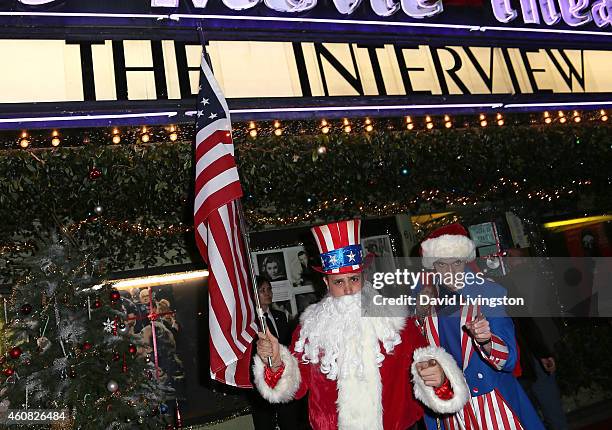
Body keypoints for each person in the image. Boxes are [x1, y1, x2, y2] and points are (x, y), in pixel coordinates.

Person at [252, 219, 469, 430]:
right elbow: (295, 388)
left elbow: (428, 361)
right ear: (326, 282)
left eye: (354, 279)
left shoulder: (396, 319)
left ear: (363, 276)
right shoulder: (309, 329)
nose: (348, 289)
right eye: (339, 282)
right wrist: (276, 361)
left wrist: (439, 378)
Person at [417, 223, 545, 430]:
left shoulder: (489, 293)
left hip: (489, 400)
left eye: (456, 262)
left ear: (466, 261)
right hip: (449, 403)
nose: (450, 271)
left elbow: (510, 359)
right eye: (442, 264)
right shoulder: (426, 298)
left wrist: (486, 341)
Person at [249, 276, 303, 430]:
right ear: (254, 295)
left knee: (290, 422)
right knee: (265, 423)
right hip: (262, 384)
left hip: (284, 378)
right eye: (262, 290)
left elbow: (288, 345)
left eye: (269, 289)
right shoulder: (251, 322)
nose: (268, 293)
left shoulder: (280, 316)